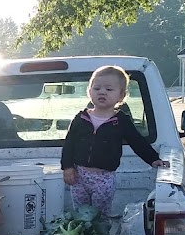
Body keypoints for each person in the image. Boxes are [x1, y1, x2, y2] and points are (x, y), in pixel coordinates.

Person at [61, 65, 169, 217]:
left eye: (109, 89)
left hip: (104, 179)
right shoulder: (80, 118)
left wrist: (153, 159)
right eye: (97, 88)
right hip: (79, 176)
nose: (102, 92)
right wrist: (67, 167)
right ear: (89, 91)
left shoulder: (121, 121)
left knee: (101, 216)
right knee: (80, 215)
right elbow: (69, 144)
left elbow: (137, 142)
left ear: (121, 95)